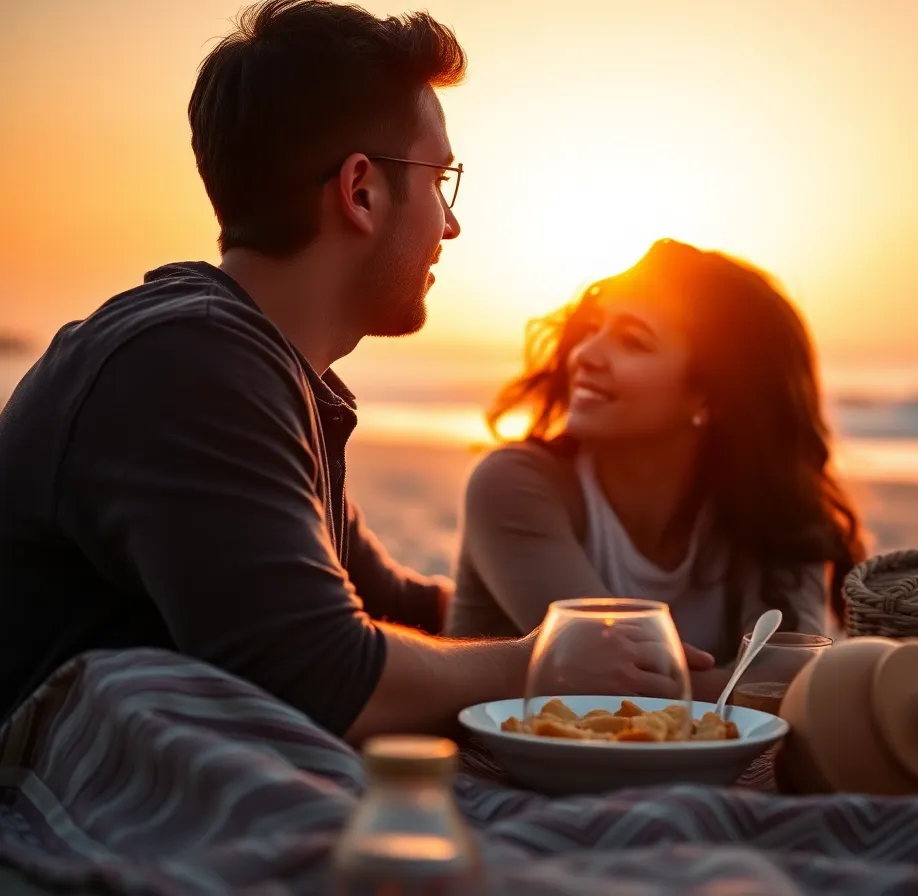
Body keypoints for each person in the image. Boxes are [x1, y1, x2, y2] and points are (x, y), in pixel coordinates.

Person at [0, 0, 712, 740]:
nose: (451, 222)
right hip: (49, 787)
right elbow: (323, 673)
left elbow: (382, 604)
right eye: (441, 178)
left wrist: (579, 620)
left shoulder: (262, 369)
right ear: (361, 191)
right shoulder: (188, 365)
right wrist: (540, 663)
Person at [447, 239, 865, 694]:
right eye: (592, 328)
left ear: (712, 394)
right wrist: (734, 685)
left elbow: (789, 678)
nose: (584, 354)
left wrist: (762, 686)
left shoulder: (774, 514)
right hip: (499, 765)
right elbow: (615, 679)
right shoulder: (514, 486)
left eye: (632, 340)